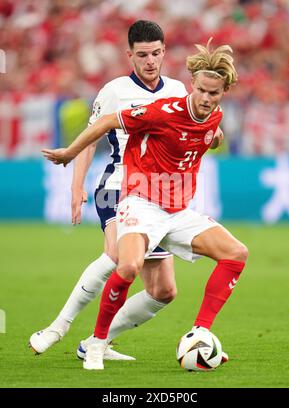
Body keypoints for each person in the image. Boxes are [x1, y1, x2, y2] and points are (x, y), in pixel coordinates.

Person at [42, 38, 248, 370]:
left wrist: (215, 134)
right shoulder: (163, 111)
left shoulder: (214, 117)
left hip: (178, 211)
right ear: (191, 85)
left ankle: (200, 333)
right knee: (127, 266)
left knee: (236, 254)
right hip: (141, 204)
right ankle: (95, 344)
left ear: (223, 92)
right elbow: (108, 121)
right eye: (203, 91)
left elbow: (205, 133)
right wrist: (68, 154)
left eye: (215, 93)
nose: (208, 98)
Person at [29, 20, 188, 361]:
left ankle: (96, 341)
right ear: (129, 55)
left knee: (163, 291)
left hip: (158, 195)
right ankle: (58, 326)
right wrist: (76, 186)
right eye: (142, 54)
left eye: (156, 53)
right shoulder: (114, 91)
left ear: (164, 52)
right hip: (117, 185)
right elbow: (90, 139)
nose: (150, 61)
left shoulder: (177, 91)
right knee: (119, 256)